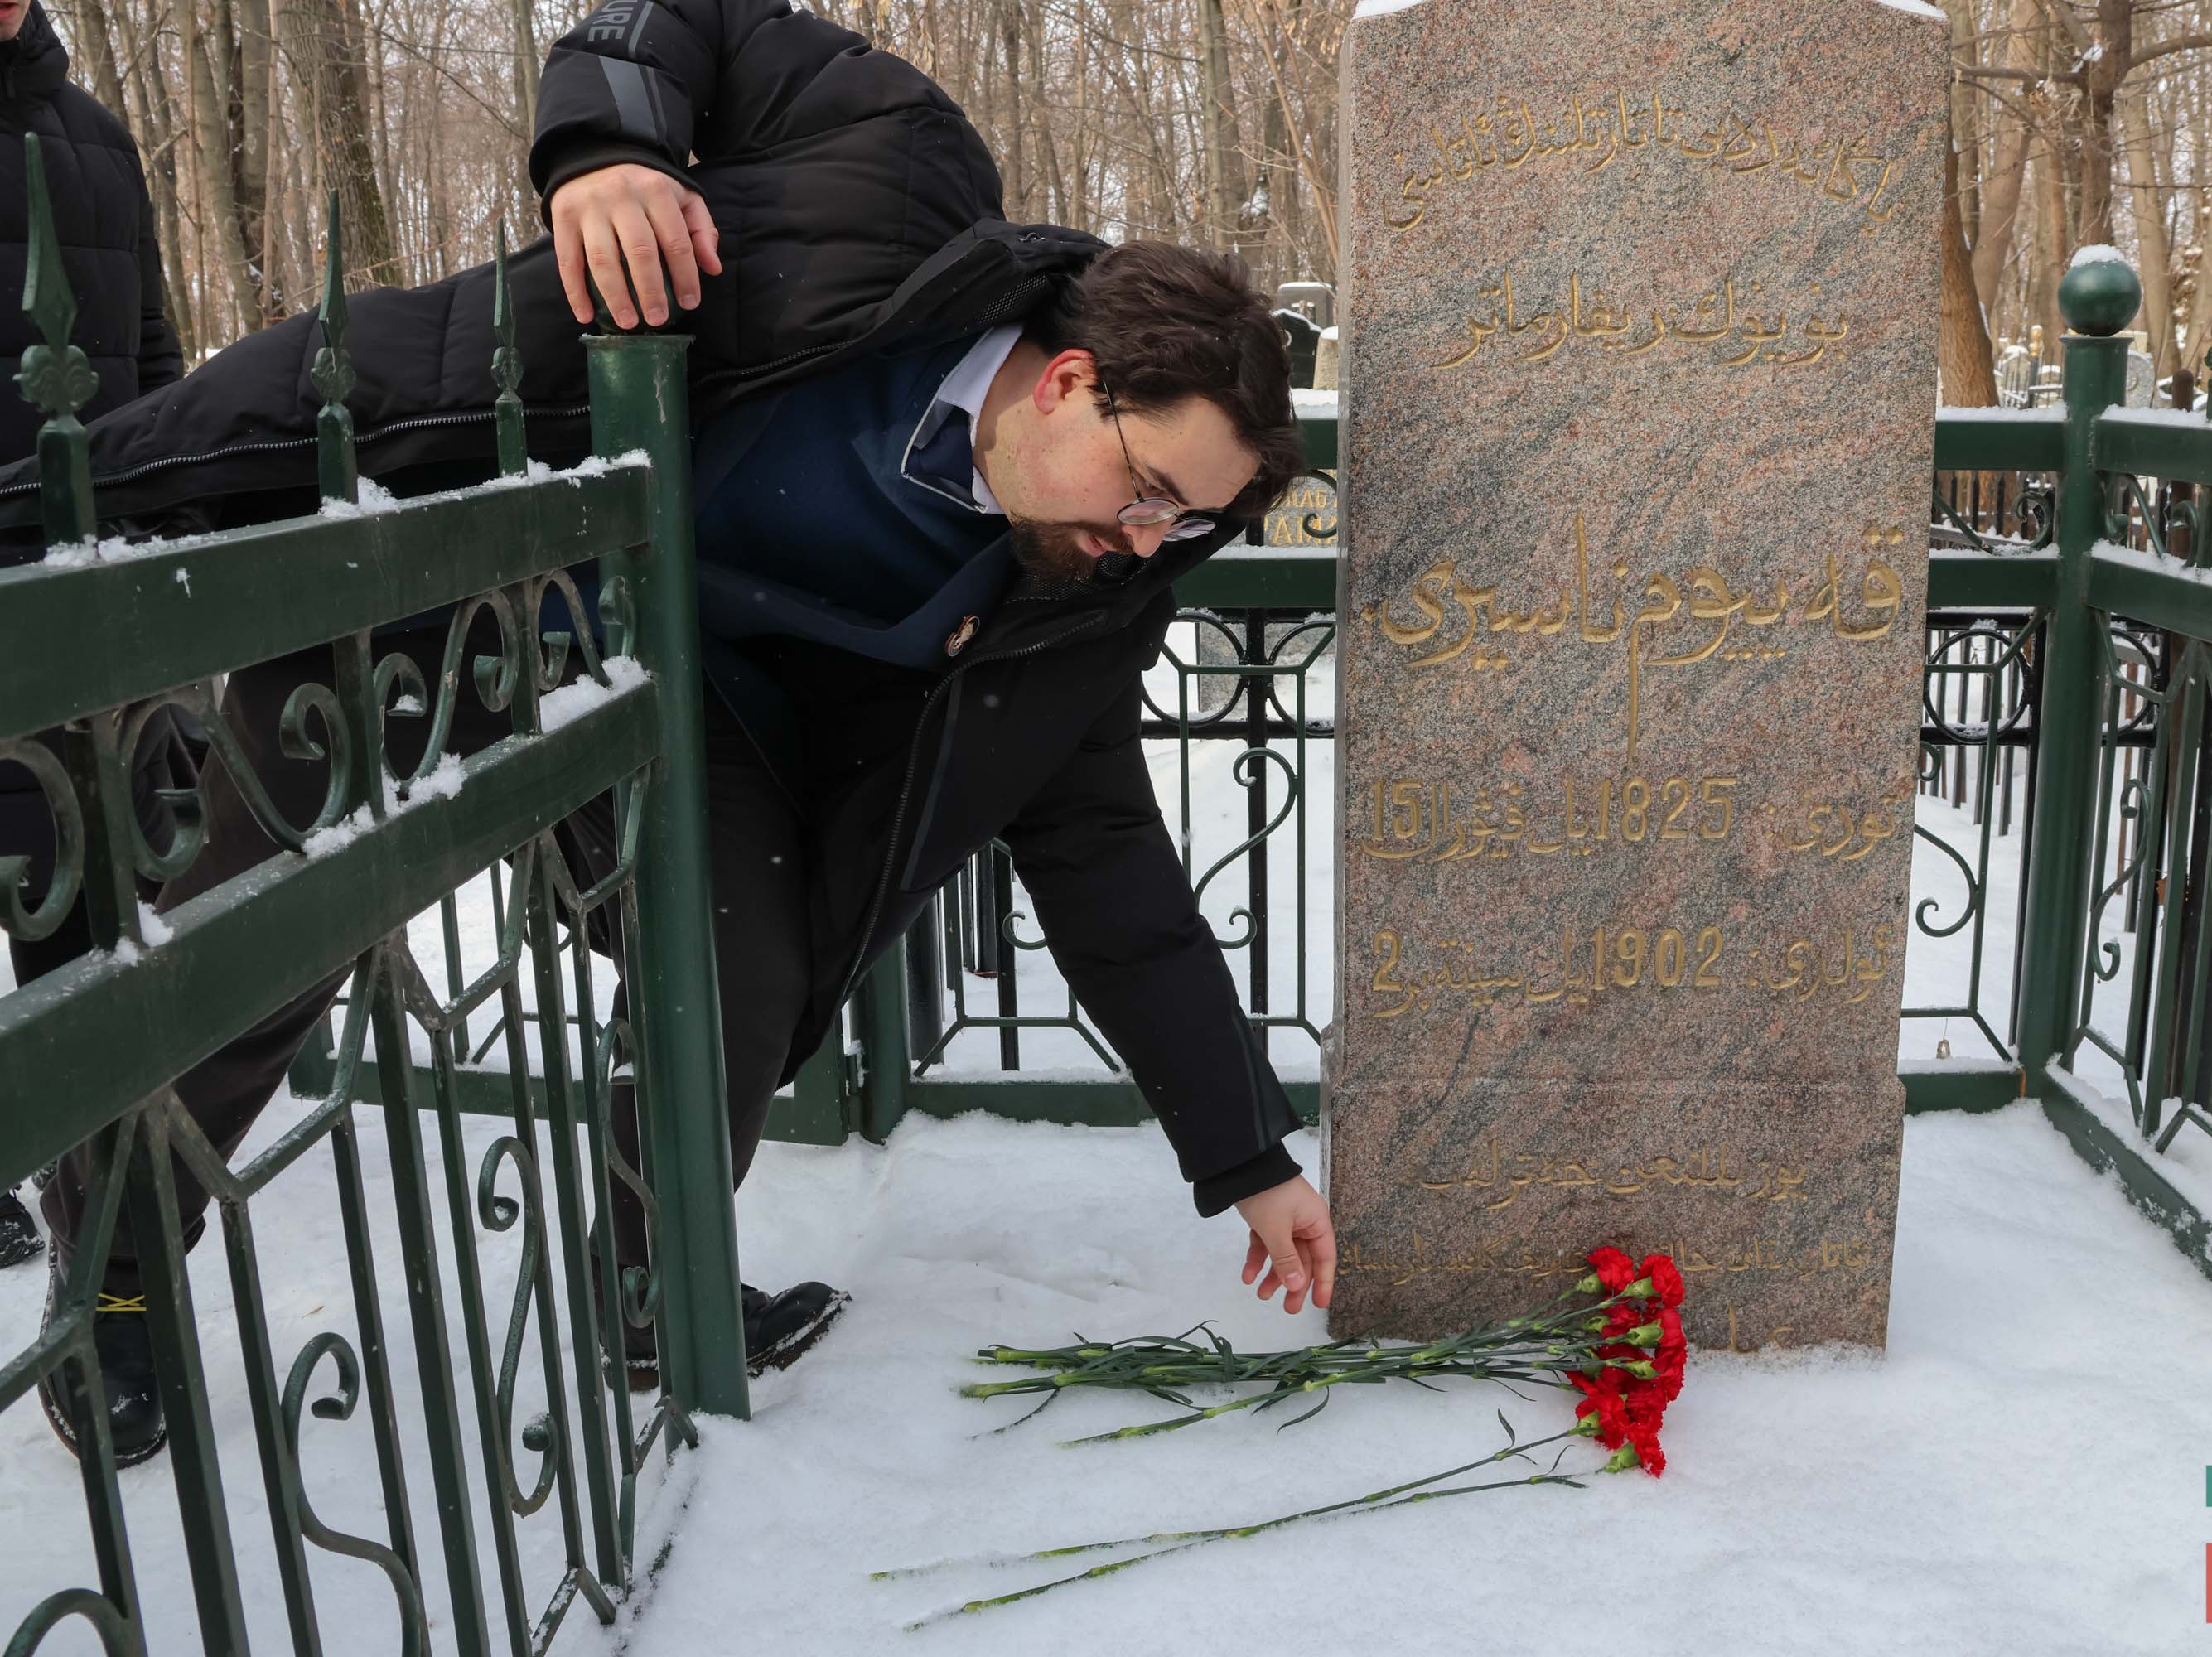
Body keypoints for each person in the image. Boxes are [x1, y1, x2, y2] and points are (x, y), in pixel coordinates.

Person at [1, 0, 1336, 1468]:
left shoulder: (1075, 593)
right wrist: (606, 152)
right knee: (273, 930)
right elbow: (685, 19)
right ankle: (114, 1277)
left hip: (702, 693)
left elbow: (1105, 861)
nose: (1144, 542)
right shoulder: (895, 172)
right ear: (1075, 379)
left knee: (743, 981)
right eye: (1146, 488)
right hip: (462, 567)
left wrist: (1245, 1157)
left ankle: (644, 1287)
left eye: (1185, 525)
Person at [0, 0, 185, 1295]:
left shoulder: (98, 136)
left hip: (82, 596)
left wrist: (161, 529)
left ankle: (105, 1260)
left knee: (78, 917)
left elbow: (157, 361)